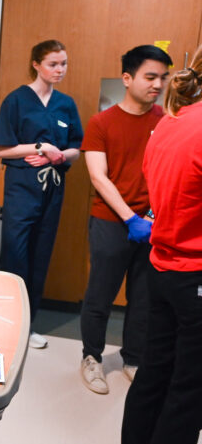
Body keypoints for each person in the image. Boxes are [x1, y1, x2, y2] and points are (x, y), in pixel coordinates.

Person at [78, 45, 171, 394]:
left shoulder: (167, 121)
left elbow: (171, 172)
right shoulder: (102, 122)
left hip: (154, 223)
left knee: (144, 297)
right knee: (100, 295)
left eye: (162, 77)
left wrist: (152, 215)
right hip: (111, 222)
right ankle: (92, 358)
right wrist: (132, 218)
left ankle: (133, 358)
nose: (157, 84)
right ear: (128, 78)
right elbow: (99, 177)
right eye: (150, 76)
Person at [122, 45, 202, 444]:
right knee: (190, 388)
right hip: (194, 274)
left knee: (155, 371)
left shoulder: (169, 123)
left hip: (164, 269)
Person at [0, 39, 83, 349]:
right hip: (21, 188)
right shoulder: (16, 101)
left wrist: (58, 156)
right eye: (53, 64)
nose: (60, 70)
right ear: (36, 65)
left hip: (52, 188)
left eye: (64, 63)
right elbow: (3, 148)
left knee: (40, 255)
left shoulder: (66, 105)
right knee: (15, 254)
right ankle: (7, 323)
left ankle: (28, 326)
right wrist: (42, 147)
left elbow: (76, 149)